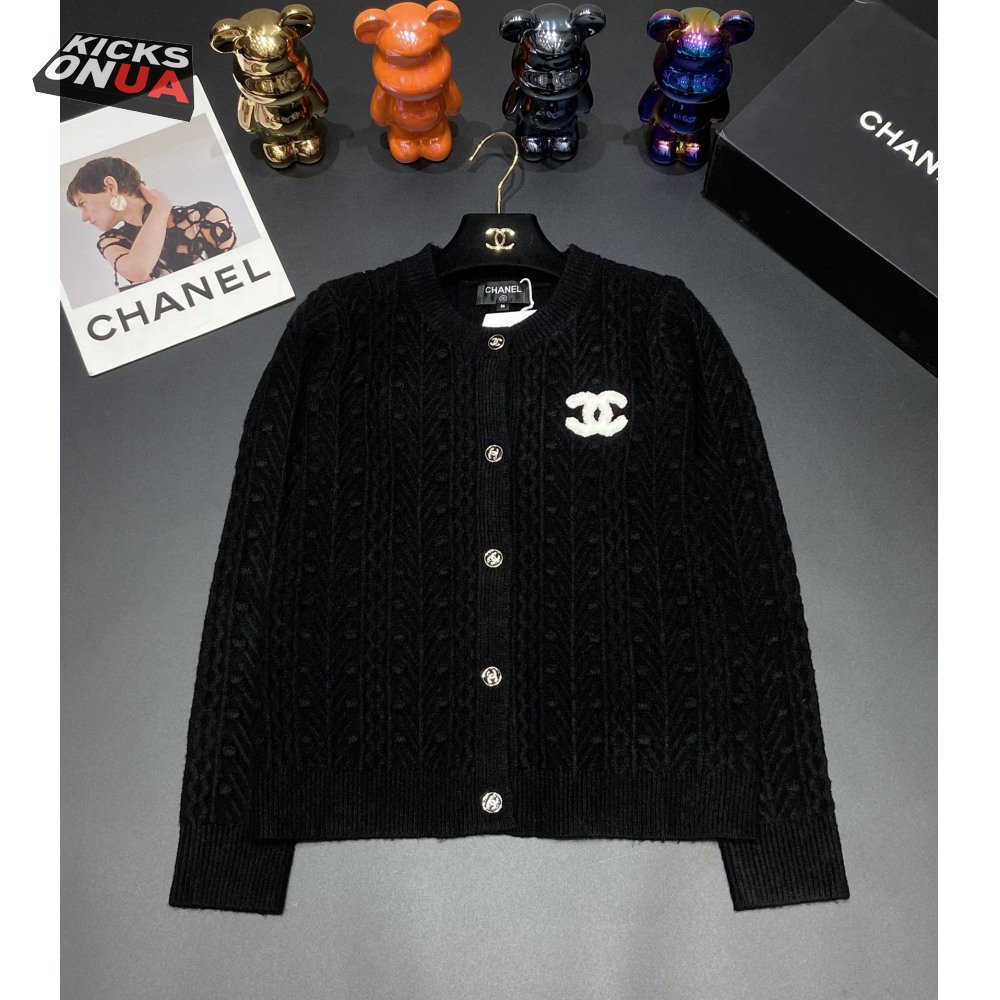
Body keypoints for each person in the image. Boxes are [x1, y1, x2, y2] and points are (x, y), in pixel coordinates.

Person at [66, 156, 237, 291]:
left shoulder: (205, 217)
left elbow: (240, 275)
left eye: (83, 203)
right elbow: (138, 271)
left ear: (110, 186)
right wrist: (160, 209)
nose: (84, 217)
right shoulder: (112, 242)